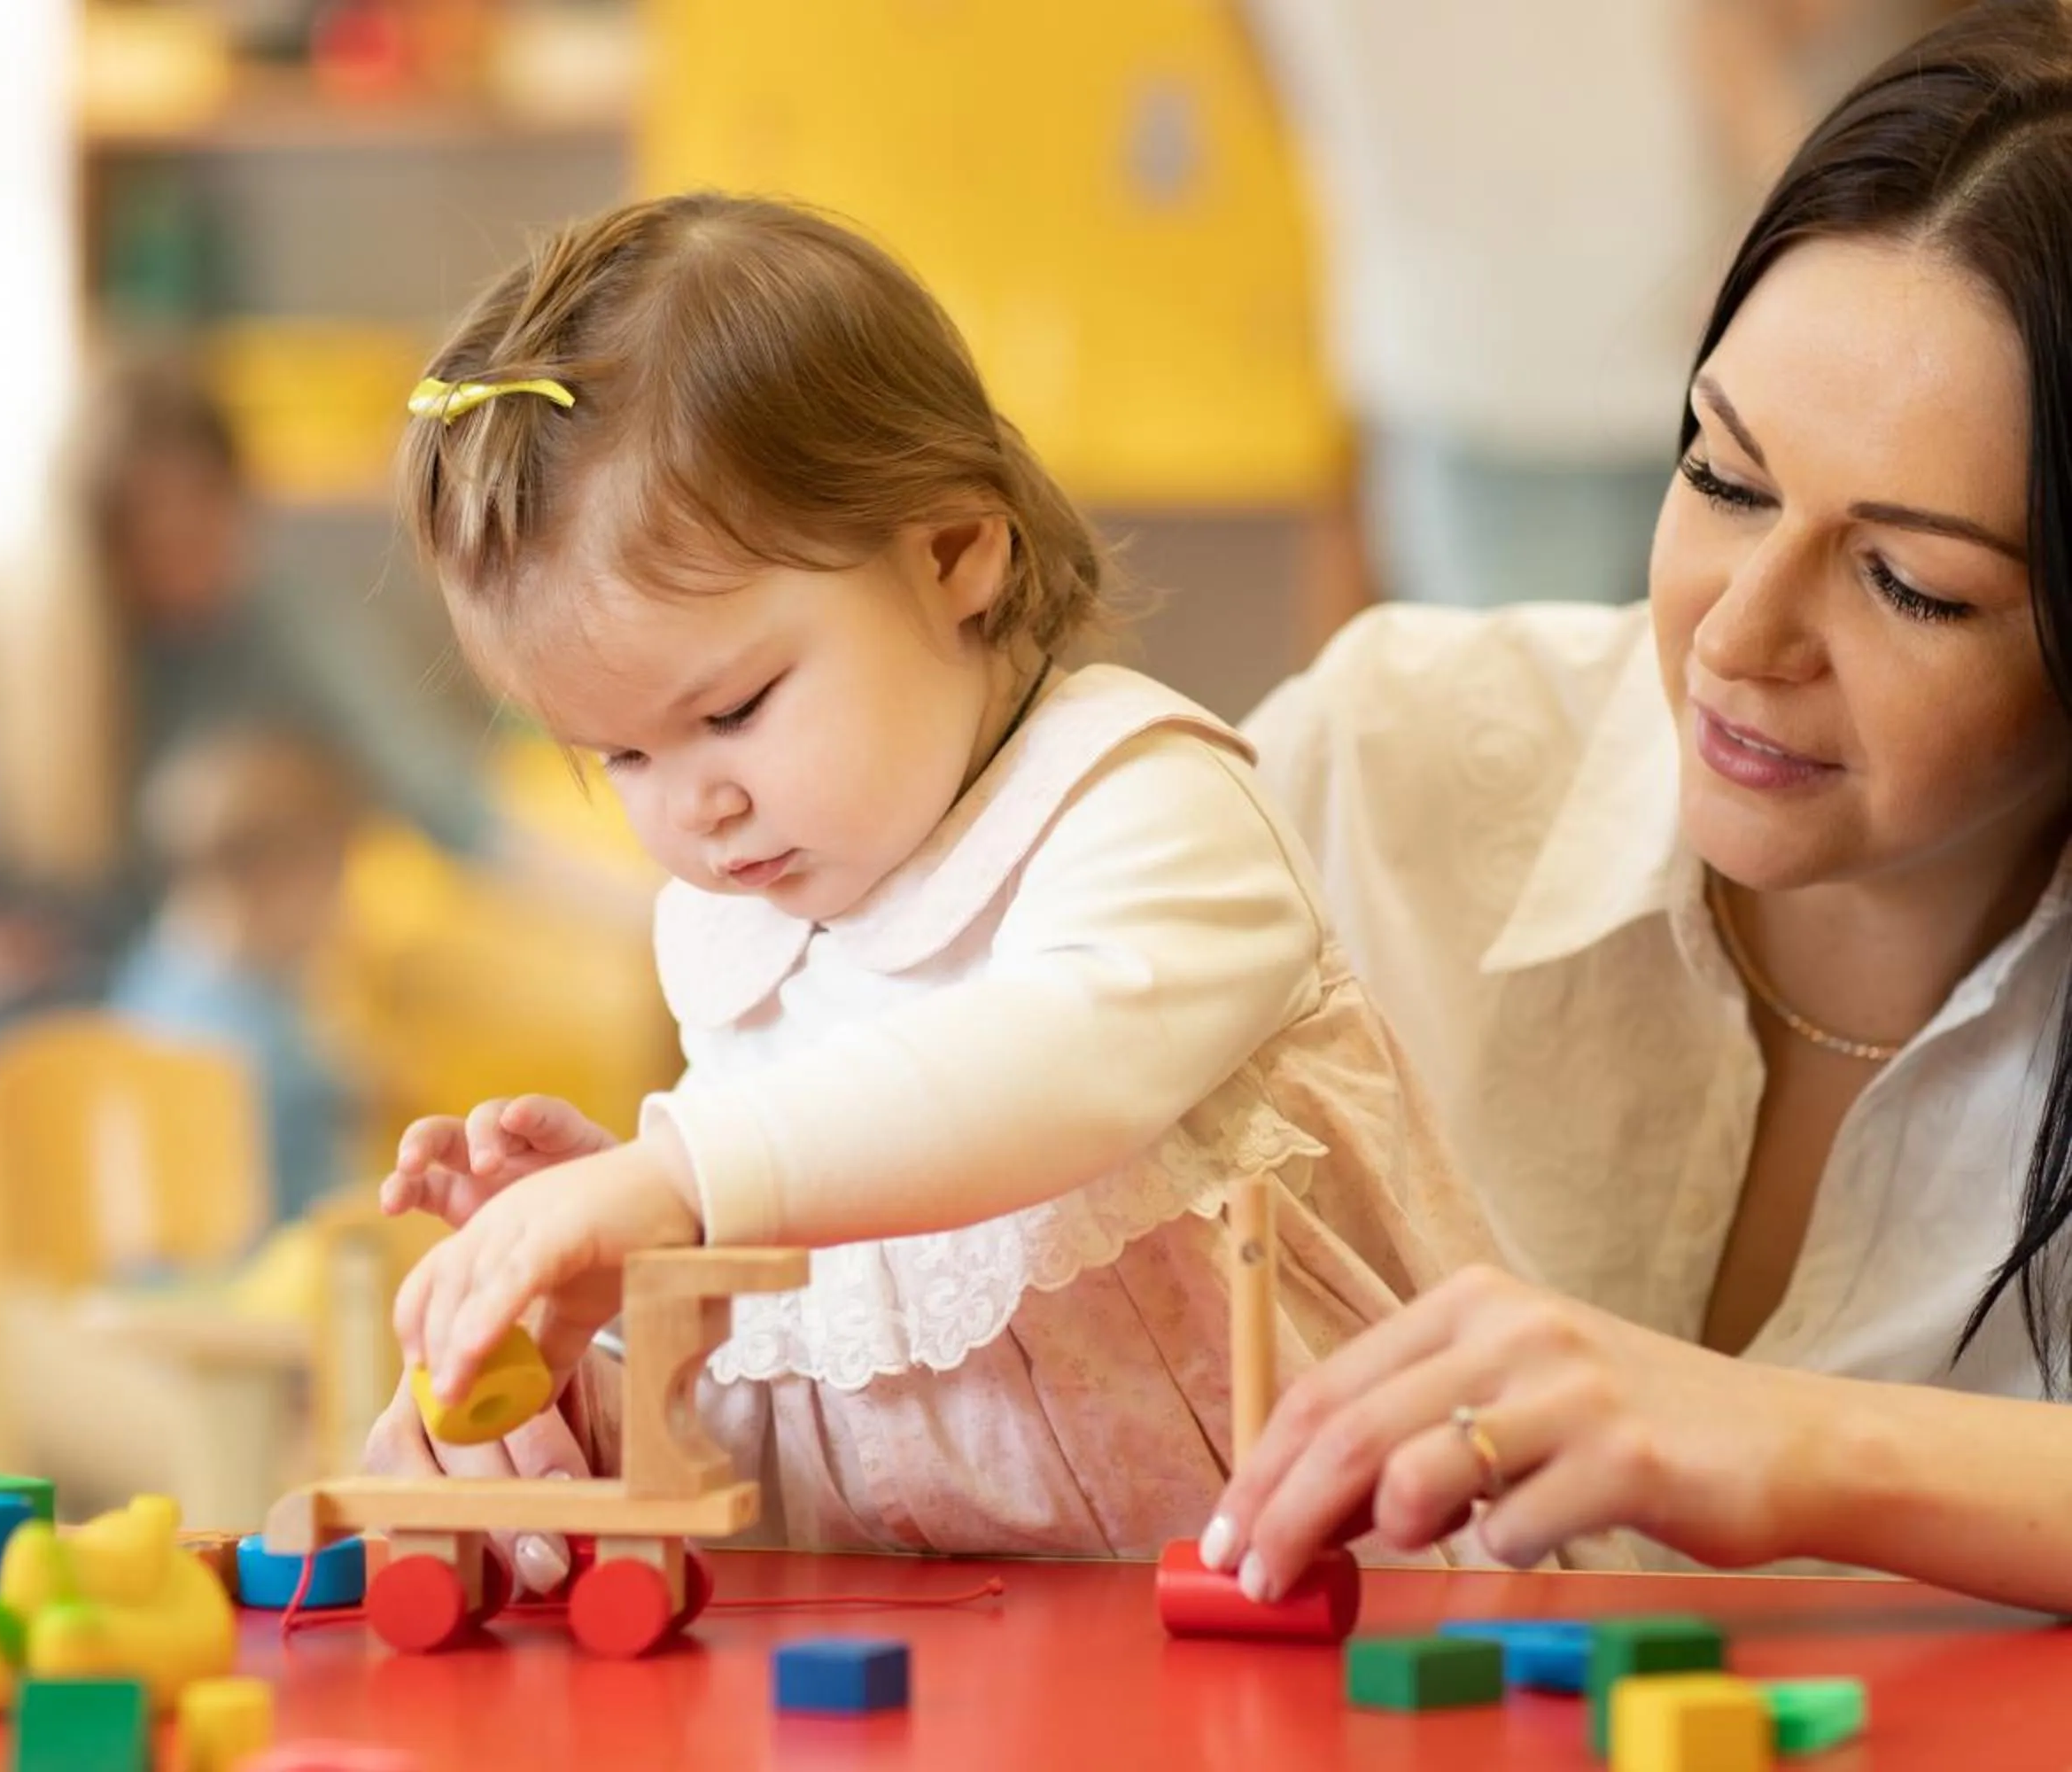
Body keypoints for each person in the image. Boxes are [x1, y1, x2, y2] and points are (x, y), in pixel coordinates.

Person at [360, 191, 1497, 1582]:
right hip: (955, 1662)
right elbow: (830, 1393)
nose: (694, 806)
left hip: (1356, 1606)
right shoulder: (742, 934)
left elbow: (1044, 1076)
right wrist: (607, 1339)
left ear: (956, 551)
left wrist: (691, 1179)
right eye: (620, 754)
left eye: (735, 709)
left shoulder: (1149, 810)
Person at [1196, 3, 2072, 1612]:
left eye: (1910, 584)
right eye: (1723, 479)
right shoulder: (1381, 776)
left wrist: (1802, 1447)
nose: (1738, 640)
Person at [0, 357, 499, 1069]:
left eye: (203, 530)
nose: (182, 571)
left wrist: (642, 903)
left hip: (175, 1018)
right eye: (150, 541)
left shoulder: (274, 630)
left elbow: (443, 795)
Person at [1241, 0, 1957, 615]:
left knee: (1508, 734)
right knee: (1718, 722)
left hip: (1448, 357)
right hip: (1698, 350)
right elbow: (1776, 29)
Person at [111, 726, 363, 1226]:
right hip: (265, 1282)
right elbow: (320, 1213)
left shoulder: (151, 976)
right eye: (334, 882)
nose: (344, 910)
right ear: (284, 878)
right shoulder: (263, 1048)